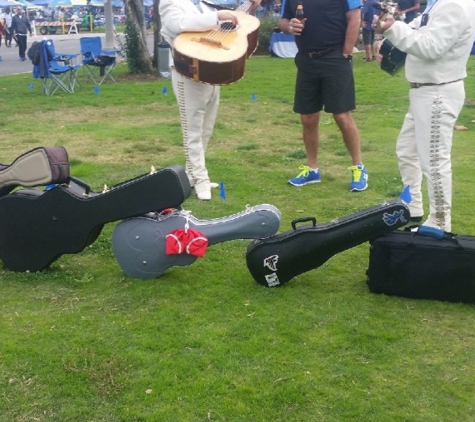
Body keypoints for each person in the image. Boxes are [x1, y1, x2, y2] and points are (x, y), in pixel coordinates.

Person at [373, 0, 475, 231]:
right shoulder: (440, 3)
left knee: (435, 161)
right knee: (407, 150)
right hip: (426, 90)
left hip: (437, 92)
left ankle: (440, 222)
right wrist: (391, 31)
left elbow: (431, 47)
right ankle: (413, 207)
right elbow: (418, 27)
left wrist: (392, 28)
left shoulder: (455, 5)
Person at [159, 0, 261, 200]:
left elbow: (225, 26)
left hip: (212, 68)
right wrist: (217, 16)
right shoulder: (169, 2)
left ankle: (191, 175)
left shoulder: (205, 3)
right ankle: (201, 179)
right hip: (187, 72)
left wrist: (248, 9)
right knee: (193, 129)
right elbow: (177, 23)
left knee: (206, 128)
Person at [280, 0, 368, 192]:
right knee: (307, 117)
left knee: (342, 116)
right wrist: (289, 26)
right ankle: (313, 170)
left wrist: (345, 52)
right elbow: (283, 20)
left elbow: (354, 17)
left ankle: (358, 167)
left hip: (335, 58)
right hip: (306, 60)